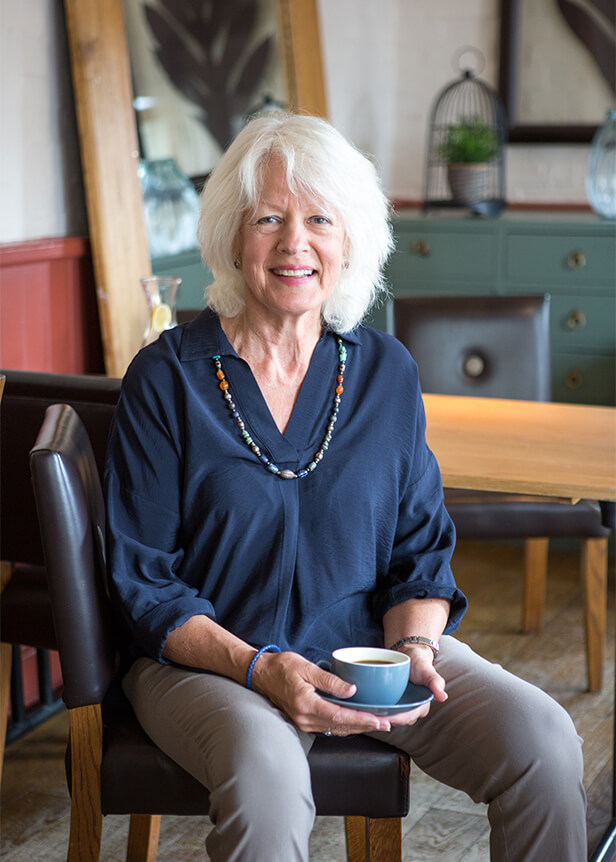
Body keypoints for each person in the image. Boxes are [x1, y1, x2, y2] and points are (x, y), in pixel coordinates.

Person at [105, 111, 586, 862]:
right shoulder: (166, 379)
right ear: (235, 235)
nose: (296, 243)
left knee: (544, 742)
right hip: (208, 667)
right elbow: (148, 588)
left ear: (349, 239)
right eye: (270, 218)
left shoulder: (384, 373)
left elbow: (419, 554)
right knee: (267, 776)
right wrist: (262, 668)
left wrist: (417, 649)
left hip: (365, 658)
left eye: (320, 219)